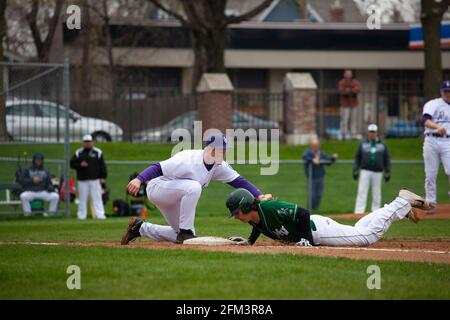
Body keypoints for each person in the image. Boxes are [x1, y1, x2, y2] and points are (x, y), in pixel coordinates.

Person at [121, 133, 272, 245]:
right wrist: (138, 179)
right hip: (159, 188)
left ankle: (140, 228)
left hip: (177, 194)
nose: (225, 153)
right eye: (222, 149)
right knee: (193, 187)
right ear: (212, 149)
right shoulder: (187, 159)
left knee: (182, 236)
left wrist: (259, 195)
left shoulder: (219, 165)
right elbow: (158, 167)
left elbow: (240, 182)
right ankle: (186, 232)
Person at [226, 188, 430, 247]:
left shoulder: (269, 207)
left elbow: (303, 213)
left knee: (367, 237)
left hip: (318, 231)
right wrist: (249, 242)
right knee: (359, 228)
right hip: (317, 229)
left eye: (237, 213)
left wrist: (306, 239)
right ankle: (397, 208)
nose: (236, 217)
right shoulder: (253, 216)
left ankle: (400, 203)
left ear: (245, 206)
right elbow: (259, 226)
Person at [422, 80, 450, 210]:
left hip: (448, 141)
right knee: (430, 174)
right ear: (441, 92)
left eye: (449, 91)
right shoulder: (433, 104)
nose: (448, 94)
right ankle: (431, 203)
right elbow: (425, 120)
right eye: (446, 91)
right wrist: (437, 127)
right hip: (432, 140)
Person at [353, 124, 391, 214]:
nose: (372, 134)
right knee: (362, 190)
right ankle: (359, 212)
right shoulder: (363, 144)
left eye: (374, 132)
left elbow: (387, 158)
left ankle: (375, 211)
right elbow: (358, 157)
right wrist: (355, 169)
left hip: (378, 171)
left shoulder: (382, 145)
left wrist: (388, 171)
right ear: (368, 133)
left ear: (377, 133)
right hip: (365, 170)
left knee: (376, 192)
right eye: (371, 132)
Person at [70, 134, 107, 220]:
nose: (87, 143)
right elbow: (72, 164)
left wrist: (103, 177)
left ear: (92, 142)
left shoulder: (98, 152)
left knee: (97, 197)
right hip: (82, 180)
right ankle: (81, 215)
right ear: (83, 142)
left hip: (95, 180)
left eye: (89, 141)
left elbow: (102, 166)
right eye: (86, 142)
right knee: (82, 198)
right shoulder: (78, 153)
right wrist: (80, 164)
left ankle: (100, 215)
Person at [302, 139, 337, 210]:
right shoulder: (307, 152)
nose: (316, 147)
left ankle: (316, 209)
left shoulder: (321, 153)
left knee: (319, 195)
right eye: (314, 146)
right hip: (311, 177)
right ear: (311, 146)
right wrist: (312, 160)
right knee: (312, 195)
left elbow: (328, 161)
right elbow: (305, 157)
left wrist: (333, 158)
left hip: (320, 177)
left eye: (317, 145)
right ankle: (309, 209)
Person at [338, 69, 362, 140]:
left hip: (353, 104)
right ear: (344, 75)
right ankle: (344, 134)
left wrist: (349, 90)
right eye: (347, 74)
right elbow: (342, 91)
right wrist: (351, 90)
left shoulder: (355, 82)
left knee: (353, 120)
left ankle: (353, 134)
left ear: (351, 75)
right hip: (345, 105)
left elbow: (358, 89)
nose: (348, 75)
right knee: (344, 120)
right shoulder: (342, 82)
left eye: (349, 74)